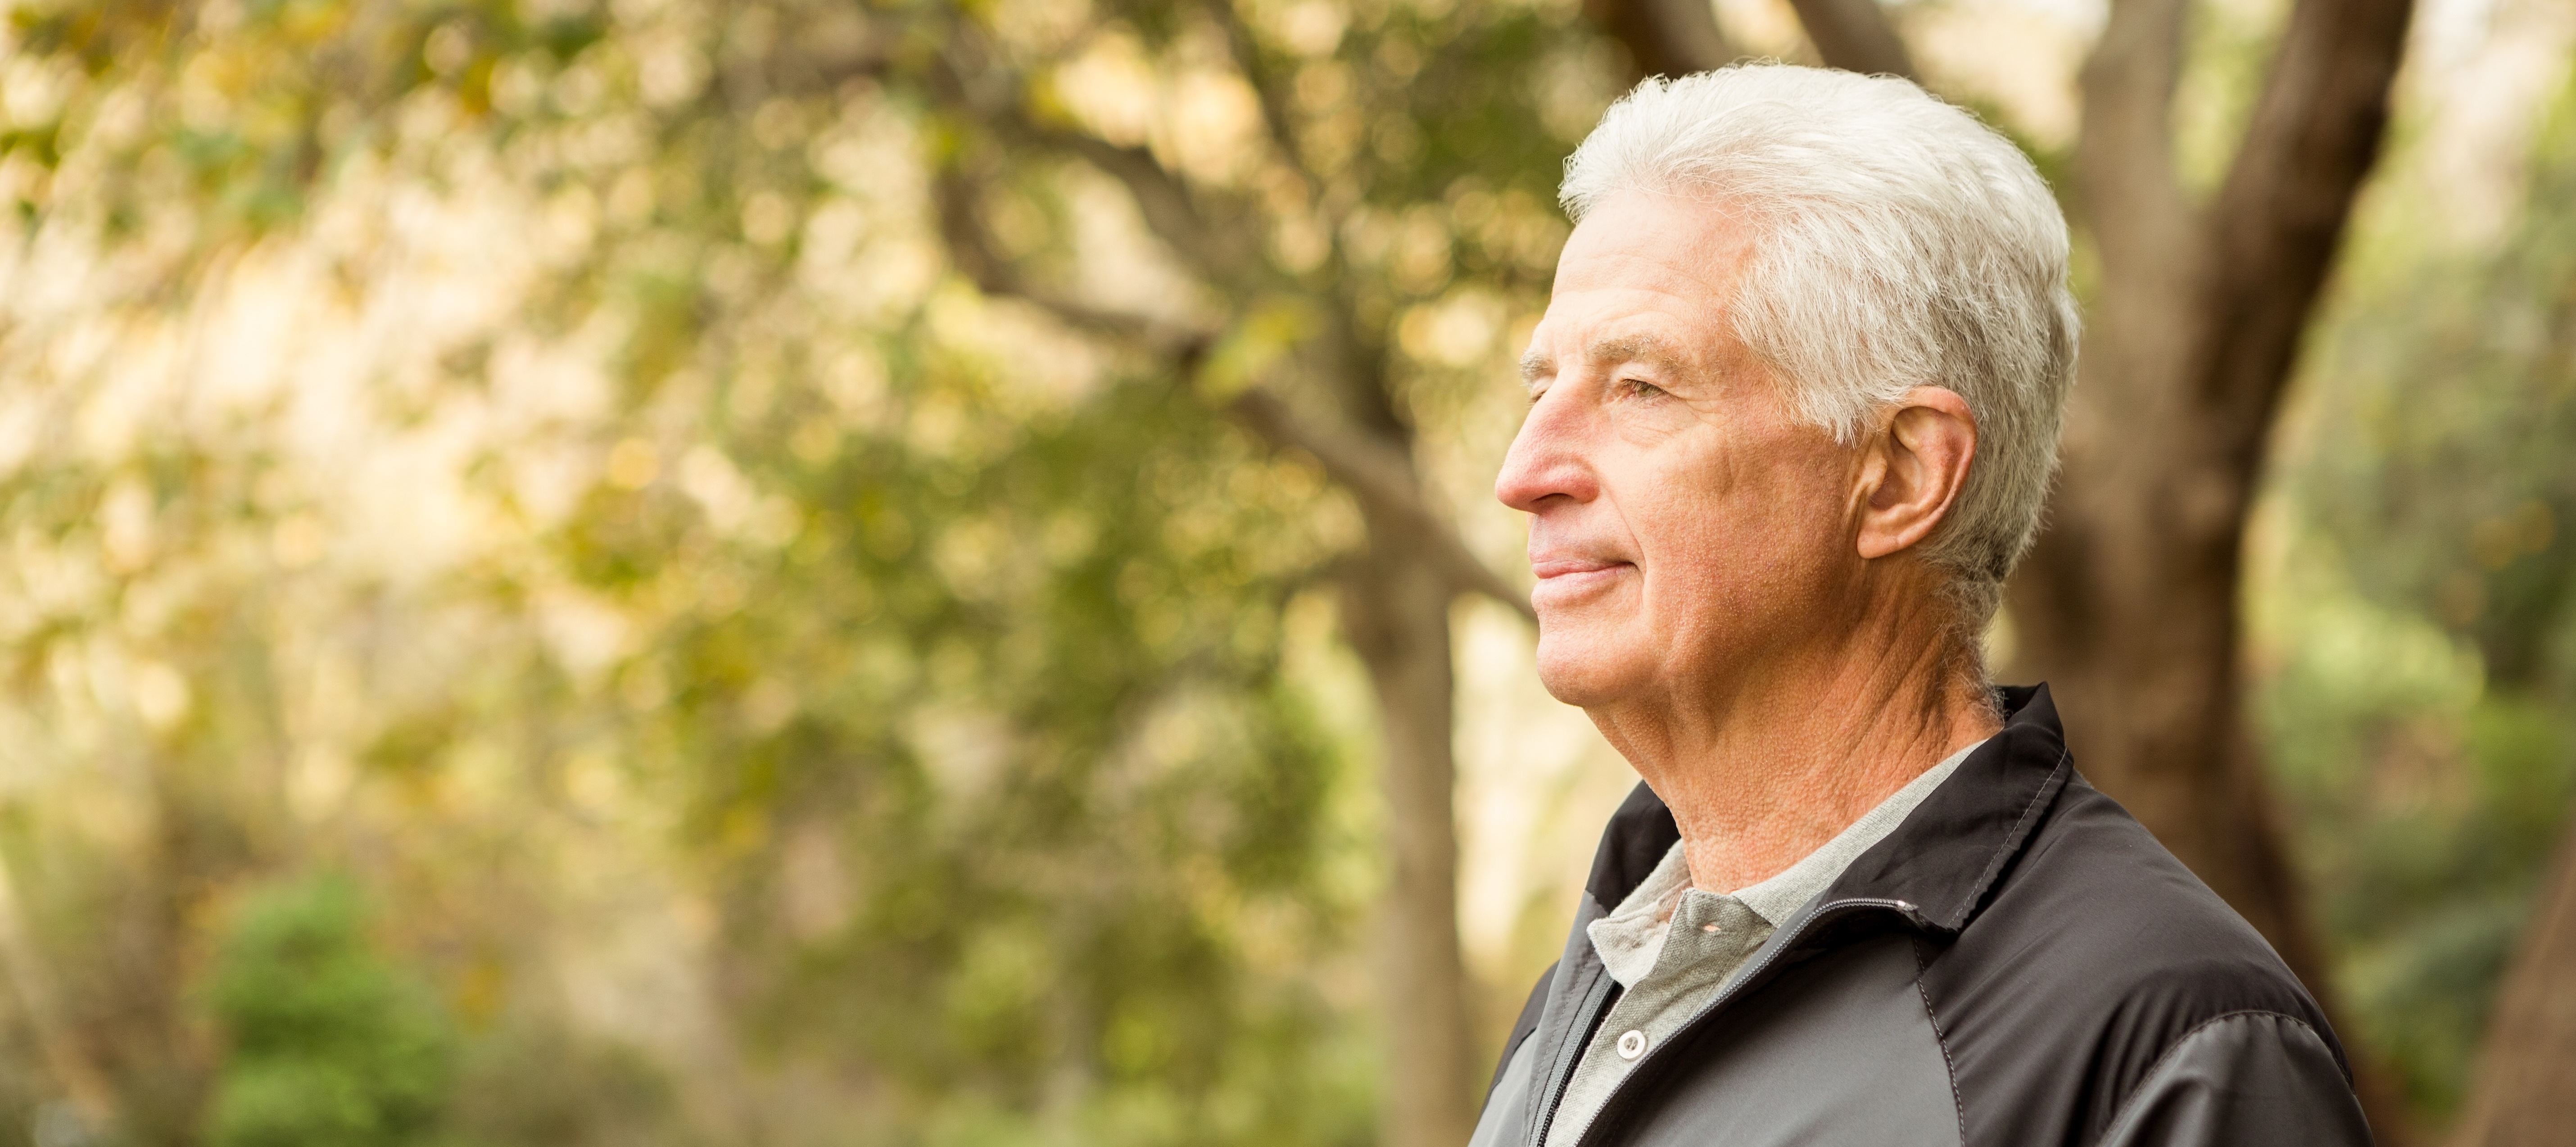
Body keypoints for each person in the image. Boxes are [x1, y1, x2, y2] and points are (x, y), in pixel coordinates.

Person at [1474, 64, 2372, 1147]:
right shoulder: (1590, 985)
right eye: (1542, 388)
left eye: (1638, 387)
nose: (1523, 471)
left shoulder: (2167, 1037)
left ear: (1900, 475)